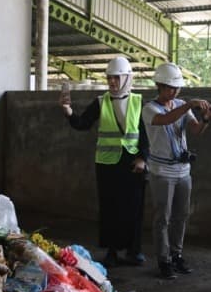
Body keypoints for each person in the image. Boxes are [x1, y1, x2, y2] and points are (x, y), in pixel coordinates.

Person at [61, 56, 147, 267]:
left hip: (133, 163)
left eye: (116, 78)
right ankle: (111, 251)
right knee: (110, 207)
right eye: (109, 78)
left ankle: (133, 251)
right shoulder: (101, 102)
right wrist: (69, 112)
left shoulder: (138, 102)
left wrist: (143, 158)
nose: (112, 82)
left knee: (134, 208)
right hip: (107, 164)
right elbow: (82, 123)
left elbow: (147, 134)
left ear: (127, 78)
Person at [142, 63, 211, 279]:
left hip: (182, 170)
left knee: (181, 215)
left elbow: (196, 130)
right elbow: (166, 119)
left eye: (177, 88)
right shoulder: (150, 109)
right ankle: (164, 260)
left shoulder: (182, 104)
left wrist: (206, 119)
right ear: (159, 86)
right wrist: (189, 105)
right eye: (170, 88)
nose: (174, 92)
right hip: (161, 171)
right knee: (162, 217)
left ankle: (177, 255)